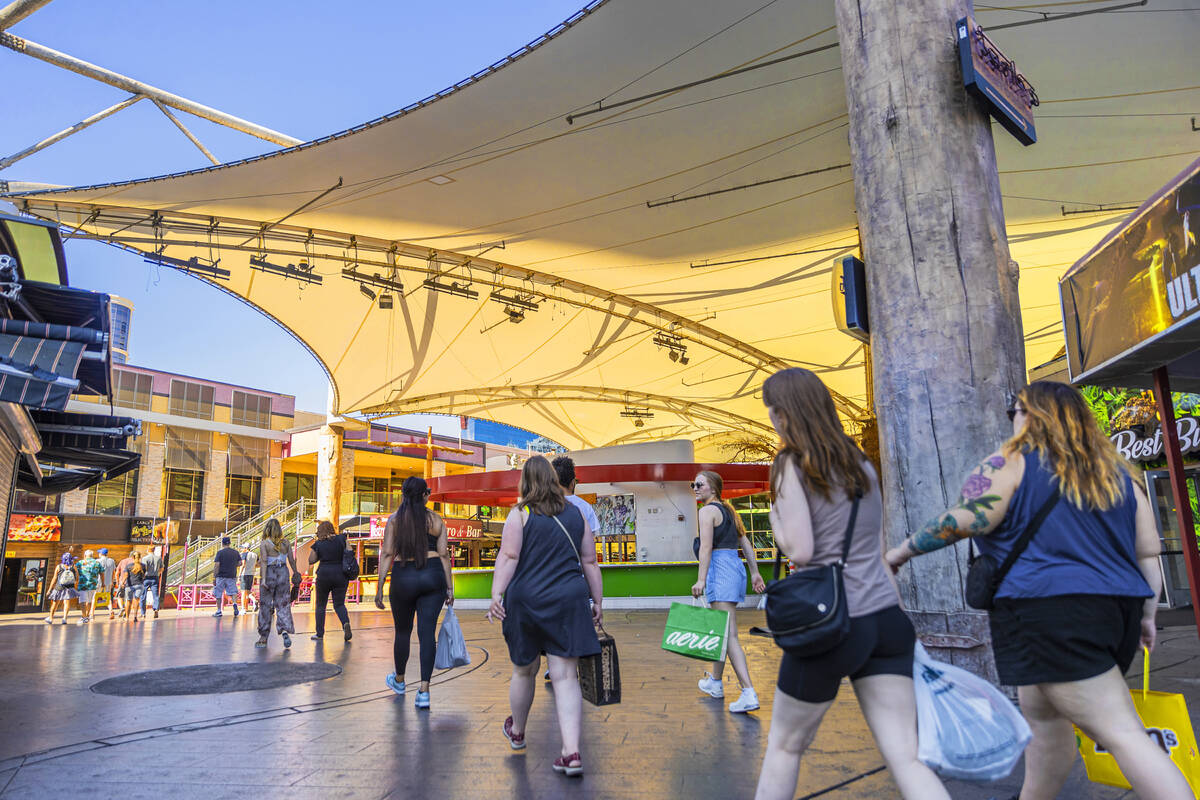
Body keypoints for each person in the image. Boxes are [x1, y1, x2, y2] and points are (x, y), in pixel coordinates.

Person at [885, 381, 1192, 800]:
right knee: (1044, 716)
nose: (1012, 420)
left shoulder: (1009, 462)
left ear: (1027, 414)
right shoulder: (1117, 473)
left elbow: (966, 518)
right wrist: (1148, 616)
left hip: (1047, 613)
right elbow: (1148, 554)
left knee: (1121, 731)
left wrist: (901, 551)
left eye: (1014, 411)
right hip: (1112, 615)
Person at [752, 368, 950, 800]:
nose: (770, 419)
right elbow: (878, 552)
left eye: (771, 410)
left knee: (785, 747)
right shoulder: (861, 464)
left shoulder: (791, 464)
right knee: (905, 756)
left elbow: (801, 550)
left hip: (831, 622)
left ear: (785, 414)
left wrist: (774, 522)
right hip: (884, 619)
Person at [488, 456, 603, 777]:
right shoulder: (576, 514)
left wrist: (496, 594)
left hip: (526, 600)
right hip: (568, 600)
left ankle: (518, 731)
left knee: (524, 671)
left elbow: (509, 556)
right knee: (565, 676)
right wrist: (598, 601)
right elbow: (590, 562)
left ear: (525, 481)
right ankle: (571, 752)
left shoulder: (520, 514)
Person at [692, 469, 767, 714]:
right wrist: (755, 573)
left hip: (719, 571)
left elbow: (705, 548)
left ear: (712, 488)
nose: (695, 488)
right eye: (694, 484)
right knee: (721, 632)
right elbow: (745, 543)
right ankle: (715, 683)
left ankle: (748, 691)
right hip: (733, 569)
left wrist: (700, 580)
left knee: (729, 635)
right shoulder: (729, 511)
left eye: (699, 484)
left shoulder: (707, 511)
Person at [374, 477, 453, 709]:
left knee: (403, 631)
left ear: (404, 496)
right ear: (425, 496)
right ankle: (424, 691)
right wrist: (449, 587)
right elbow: (444, 555)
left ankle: (399, 680)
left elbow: (387, 554)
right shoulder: (436, 520)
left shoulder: (395, 520)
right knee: (427, 633)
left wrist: (379, 588)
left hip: (404, 576)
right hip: (433, 576)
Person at [256, 518, 300, 649]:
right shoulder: (286, 543)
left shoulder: (264, 544)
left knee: (265, 605)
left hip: (269, 573)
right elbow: (291, 560)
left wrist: (263, 579)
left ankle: (263, 637)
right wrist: (296, 573)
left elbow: (263, 561)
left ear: (267, 529)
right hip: (283, 573)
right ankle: (285, 630)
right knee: (283, 604)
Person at [308, 521, 352, 641]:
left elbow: (311, 560)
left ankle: (319, 633)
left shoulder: (319, 543)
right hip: (341, 574)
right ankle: (345, 623)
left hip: (324, 574)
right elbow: (350, 552)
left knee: (321, 605)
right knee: (339, 604)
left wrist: (316, 546)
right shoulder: (342, 539)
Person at [44, 553, 79, 625]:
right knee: (66, 603)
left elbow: (54, 578)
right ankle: (64, 618)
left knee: (55, 603)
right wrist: (74, 584)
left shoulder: (59, 566)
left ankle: (50, 618)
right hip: (69, 587)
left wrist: (50, 589)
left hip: (59, 587)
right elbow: (77, 577)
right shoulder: (74, 566)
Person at [212, 536, 241, 617]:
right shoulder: (235, 552)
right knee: (233, 592)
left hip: (221, 576)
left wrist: (214, 577)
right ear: (230, 543)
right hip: (231, 575)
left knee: (218, 593)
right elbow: (240, 563)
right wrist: (232, 565)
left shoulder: (220, 553)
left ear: (222, 544)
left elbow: (217, 565)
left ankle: (218, 611)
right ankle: (234, 604)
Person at [74, 550, 103, 624]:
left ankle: (84, 617)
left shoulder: (80, 562)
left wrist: (76, 580)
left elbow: (74, 570)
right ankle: (86, 616)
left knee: (83, 601)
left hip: (82, 584)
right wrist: (103, 583)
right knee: (89, 601)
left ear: (85, 555)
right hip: (93, 585)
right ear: (92, 555)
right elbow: (102, 573)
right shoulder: (97, 563)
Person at [121, 549, 145, 622]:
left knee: (128, 601)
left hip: (129, 585)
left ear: (133, 557)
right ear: (140, 557)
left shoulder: (129, 566)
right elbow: (144, 576)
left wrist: (122, 582)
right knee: (136, 600)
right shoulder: (143, 566)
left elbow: (126, 575)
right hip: (139, 585)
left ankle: (127, 617)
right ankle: (135, 616)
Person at [141, 546, 163, 619]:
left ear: (148, 550)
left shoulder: (145, 558)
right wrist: (158, 573)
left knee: (143, 596)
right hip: (155, 578)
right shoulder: (159, 558)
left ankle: (143, 613)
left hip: (146, 578)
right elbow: (162, 568)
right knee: (155, 595)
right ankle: (156, 609)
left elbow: (144, 568)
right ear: (154, 550)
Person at [96, 548, 117, 619]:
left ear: (101, 554)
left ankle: (91, 614)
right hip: (108, 582)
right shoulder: (112, 561)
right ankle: (111, 611)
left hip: (99, 582)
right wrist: (112, 581)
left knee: (94, 597)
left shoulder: (97, 561)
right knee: (108, 597)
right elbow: (114, 572)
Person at [239, 546, 258, 612]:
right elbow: (257, 564)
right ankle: (254, 600)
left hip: (244, 574)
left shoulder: (244, 554)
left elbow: (243, 564)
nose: (241, 549)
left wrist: (239, 574)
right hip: (251, 574)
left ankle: (243, 608)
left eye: (242, 548)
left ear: (246, 548)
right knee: (248, 592)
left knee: (243, 592)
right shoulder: (255, 555)